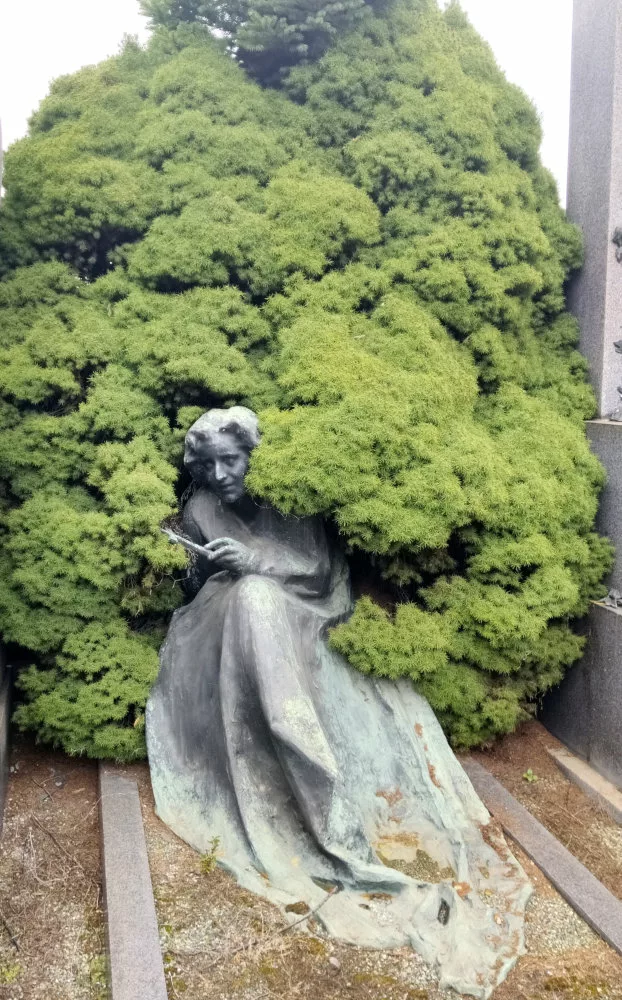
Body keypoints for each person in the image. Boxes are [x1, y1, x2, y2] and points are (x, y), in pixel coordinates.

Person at [147, 407, 530, 1000]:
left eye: (233, 459)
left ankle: (308, 762)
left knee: (258, 599)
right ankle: (256, 753)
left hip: (309, 610)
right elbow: (201, 583)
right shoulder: (200, 509)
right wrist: (208, 565)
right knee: (245, 602)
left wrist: (256, 565)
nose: (223, 474)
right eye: (211, 464)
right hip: (230, 619)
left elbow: (320, 569)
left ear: (252, 455)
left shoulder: (287, 497)